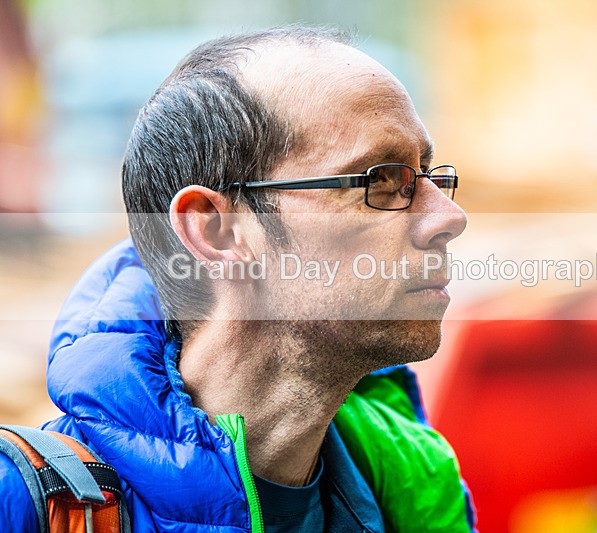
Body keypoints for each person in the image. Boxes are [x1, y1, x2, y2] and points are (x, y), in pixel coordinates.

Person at [0, 26, 477, 532]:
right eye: (379, 179)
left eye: (431, 175)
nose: (449, 216)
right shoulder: (29, 505)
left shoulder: (411, 490)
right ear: (215, 229)